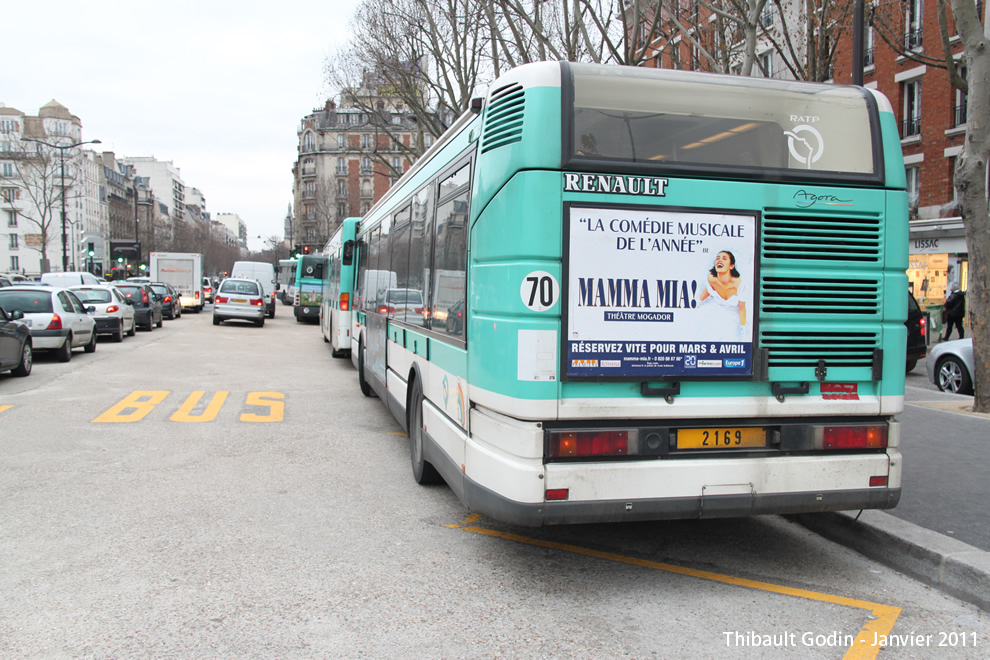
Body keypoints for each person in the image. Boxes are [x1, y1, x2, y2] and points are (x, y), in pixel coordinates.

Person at [697, 250, 747, 340]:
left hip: (733, 320)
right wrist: (698, 303)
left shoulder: (739, 284)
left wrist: (742, 329)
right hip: (716, 316)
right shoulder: (711, 278)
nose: (719, 260)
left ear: (731, 266)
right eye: (717, 258)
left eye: (724, 259)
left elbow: (742, 309)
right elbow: (708, 290)